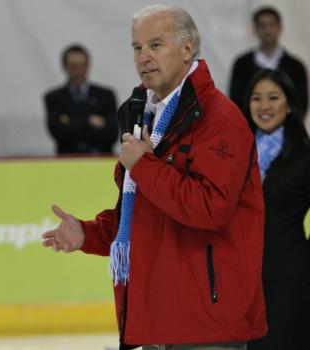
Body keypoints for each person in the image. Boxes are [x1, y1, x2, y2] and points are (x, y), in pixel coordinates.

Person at [42, 5, 267, 350]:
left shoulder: (219, 119)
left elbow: (211, 209)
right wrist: (87, 233)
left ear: (188, 48)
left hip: (207, 324)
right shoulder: (143, 116)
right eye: (137, 47)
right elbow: (147, 218)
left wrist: (145, 167)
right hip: (159, 319)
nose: (143, 57)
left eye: (156, 45)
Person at [242, 69, 310, 350]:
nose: (264, 106)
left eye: (273, 97)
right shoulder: (238, 154)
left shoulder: (304, 157)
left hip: (288, 279)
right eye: (256, 98)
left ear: (290, 104)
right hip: (242, 278)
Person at [229, 6, 308, 116]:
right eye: (262, 25)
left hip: (286, 131)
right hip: (250, 131)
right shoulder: (242, 65)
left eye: (272, 25)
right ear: (255, 29)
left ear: (280, 28)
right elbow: (236, 102)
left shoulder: (295, 67)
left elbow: (300, 105)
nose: (267, 30)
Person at [44, 44, 118, 155]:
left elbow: (112, 135)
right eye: (73, 67)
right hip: (68, 164)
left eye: (82, 66)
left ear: (88, 65)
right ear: (64, 66)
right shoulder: (54, 98)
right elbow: (58, 134)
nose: (78, 71)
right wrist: (91, 121)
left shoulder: (106, 96)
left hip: (101, 163)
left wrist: (71, 121)